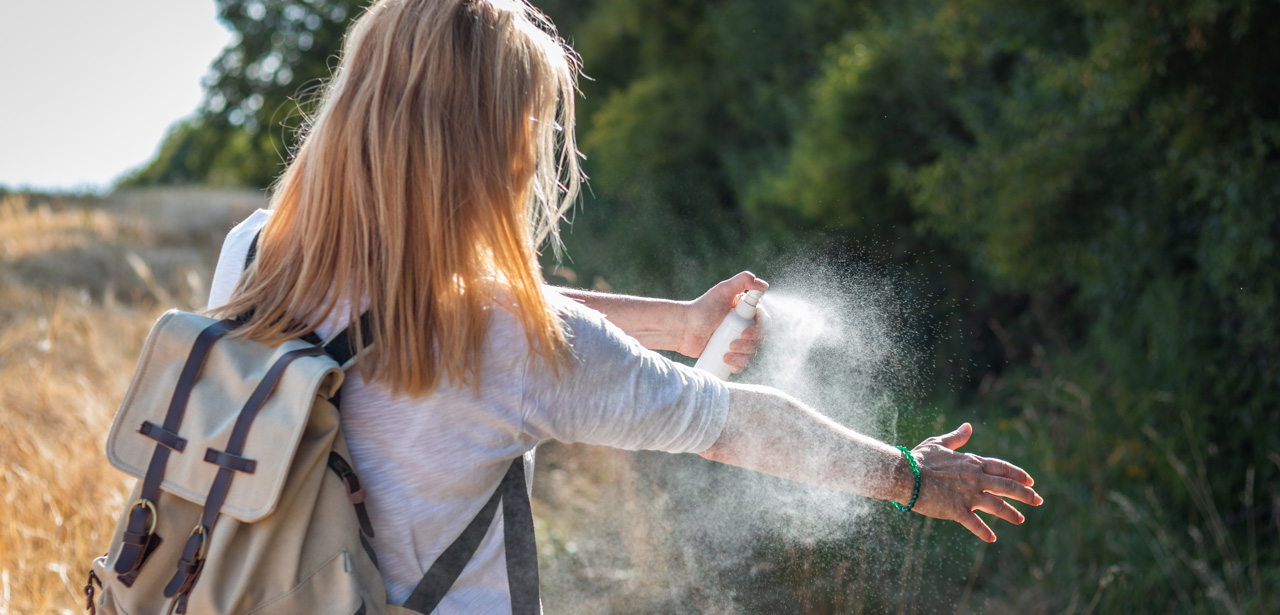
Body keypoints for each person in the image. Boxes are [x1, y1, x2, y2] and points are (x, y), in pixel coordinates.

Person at [207, 0, 1042, 612]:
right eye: (530, 124)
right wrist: (911, 476)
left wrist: (679, 324)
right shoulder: (506, 341)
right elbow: (732, 424)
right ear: (490, 140)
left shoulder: (256, 252)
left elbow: (443, 297)